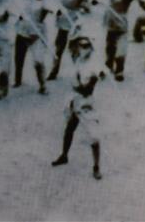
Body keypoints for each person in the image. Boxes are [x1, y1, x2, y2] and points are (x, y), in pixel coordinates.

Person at [50, 32, 105, 180]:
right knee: (69, 128)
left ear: (91, 47)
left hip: (86, 103)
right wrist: (78, 32)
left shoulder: (94, 66)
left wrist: (76, 86)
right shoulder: (78, 59)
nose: (82, 48)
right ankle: (64, 155)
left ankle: (96, 166)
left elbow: (88, 90)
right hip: (74, 101)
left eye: (86, 45)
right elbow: (70, 46)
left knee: (93, 135)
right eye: (80, 45)